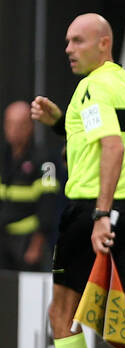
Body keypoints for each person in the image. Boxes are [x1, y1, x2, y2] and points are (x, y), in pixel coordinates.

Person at [29, 13, 125, 348]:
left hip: (89, 212)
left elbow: (111, 147)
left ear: (104, 44)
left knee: (62, 314)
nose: (68, 49)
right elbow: (101, 135)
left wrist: (100, 215)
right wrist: (62, 121)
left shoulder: (94, 86)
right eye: (67, 41)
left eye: (78, 41)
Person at [1, 99, 58, 270]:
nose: (14, 130)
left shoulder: (44, 161)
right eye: (10, 124)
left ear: (30, 127)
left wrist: (36, 245)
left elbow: (48, 206)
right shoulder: (3, 158)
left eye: (20, 125)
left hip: (27, 242)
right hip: (3, 239)